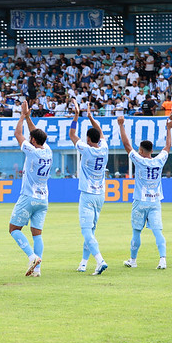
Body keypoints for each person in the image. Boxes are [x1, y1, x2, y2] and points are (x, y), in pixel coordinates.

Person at [118, 114, 172, 270]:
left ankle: (133, 260)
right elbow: (167, 147)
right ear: (152, 150)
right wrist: (169, 129)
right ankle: (162, 259)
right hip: (155, 201)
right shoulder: (159, 160)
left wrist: (121, 125)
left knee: (136, 232)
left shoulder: (139, 159)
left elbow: (127, 145)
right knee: (157, 231)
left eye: (139, 150)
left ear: (141, 150)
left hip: (140, 201)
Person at [9, 101, 51, 277]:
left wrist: (21, 115)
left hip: (28, 196)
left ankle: (32, 256)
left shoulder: (31, 150)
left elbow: (17, 133)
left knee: (14, 229)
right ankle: (37, 270)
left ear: (33, 141)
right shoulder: (48, 150)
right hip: (43, 199)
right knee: (37, 233)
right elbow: (35, 133)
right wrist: (28, 117)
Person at [68, 101, 108, 275]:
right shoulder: (104, 148)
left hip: (87, 194)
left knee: (86, 231)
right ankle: (84, 263)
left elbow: (71, 134)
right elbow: (102, 134)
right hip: (100, 195)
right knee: (90, 231)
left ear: (89, 139)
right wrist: (91, 118)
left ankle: (100, 260)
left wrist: (77, 115)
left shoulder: (86, 149)